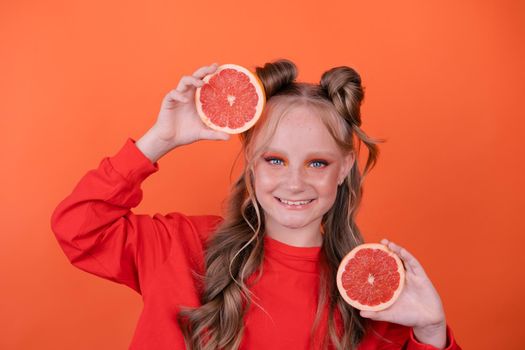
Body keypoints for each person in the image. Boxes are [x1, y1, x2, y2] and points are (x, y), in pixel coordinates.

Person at [50, 59, 462, 350]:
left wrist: (432, 331)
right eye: (275, 159)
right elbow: (78, 229)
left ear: (344, 168)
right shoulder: (180, 245)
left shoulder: (369, 293)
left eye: (317, 162)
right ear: (251, 162)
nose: (295, 181)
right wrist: (162, 139)